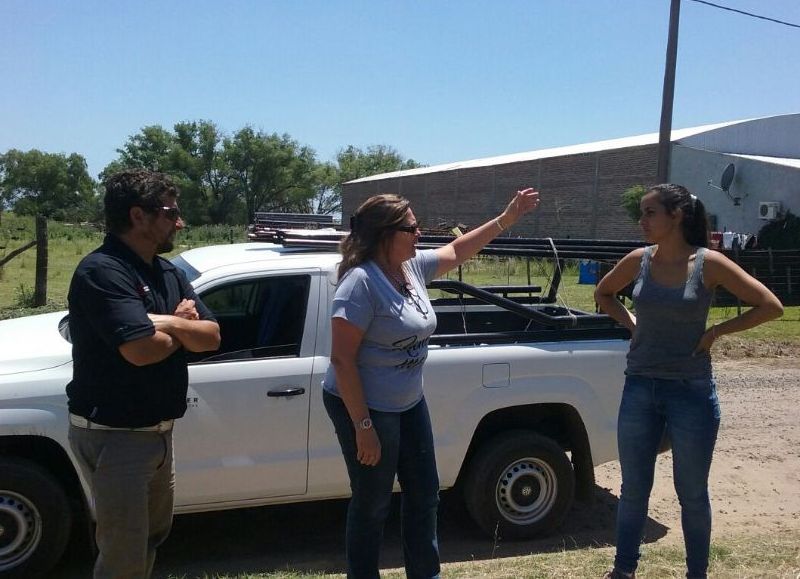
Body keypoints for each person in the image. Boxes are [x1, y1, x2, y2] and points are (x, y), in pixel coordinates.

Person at [323, 188, 540, 579]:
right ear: (388, 234)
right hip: (365, 407)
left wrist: (506, 218)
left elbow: (457, 252)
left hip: (408, 402)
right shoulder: (360, 283)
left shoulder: (410, 267)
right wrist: (363, 426)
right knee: (372, 503)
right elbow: (342, 359)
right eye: (412, 227)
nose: (419, 233)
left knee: (425, 495)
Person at [594, 184, 783, 579]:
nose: (641, 222)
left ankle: (697, 573)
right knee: (633, 490)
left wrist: (716, 333)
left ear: (676, 215)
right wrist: (633, 324)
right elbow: (604, 294)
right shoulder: (638, 260)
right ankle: (623, 570)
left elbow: (771, 306)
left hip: (690, 392)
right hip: (641, 386)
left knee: (692, 494)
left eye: (649, 213)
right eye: (642, 213)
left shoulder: (708, 263)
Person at [66, 169, 221, 578]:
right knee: (124, 555)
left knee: (150, 539)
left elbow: (211, 336)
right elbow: (140, 350)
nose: (179, 222)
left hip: (157, 434)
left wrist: (164, 323)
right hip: (115, 436)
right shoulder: (104, 271)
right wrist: (178, 323)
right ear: (138, 215)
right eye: (170, 212)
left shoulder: (167, 272)